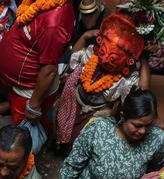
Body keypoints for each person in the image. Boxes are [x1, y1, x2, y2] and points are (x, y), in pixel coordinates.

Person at [53, 14, 148, 150]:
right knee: (56, 125)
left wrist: (144, 59)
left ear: (129, 60)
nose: (106, 59)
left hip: (96, 114)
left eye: (115, 57)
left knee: (81, 143)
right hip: (73, 103)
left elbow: (143, 92)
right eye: (104, 52)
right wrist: (86, 35)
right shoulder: (91, 55)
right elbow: (73, 57)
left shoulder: (125, 80)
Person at [0, 0, 75, 124]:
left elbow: (49, 71)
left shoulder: (54, 23)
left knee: (23, 134)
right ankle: (9, 106)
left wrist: (33, 106)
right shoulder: (39, 2)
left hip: (29, 92)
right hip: (17, 84)